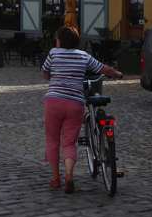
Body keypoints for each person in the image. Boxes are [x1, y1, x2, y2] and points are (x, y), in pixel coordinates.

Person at [41, 25, 122, 193]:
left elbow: (45, 72)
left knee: (53, 140)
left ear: (59, 40)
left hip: (54, 102)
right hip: (75, 103)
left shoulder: (54, 53)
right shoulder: (83, 55)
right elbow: (103, 69)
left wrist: (52, 76)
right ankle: (69, 175)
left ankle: (56, 179)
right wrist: (117, 74)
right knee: (70, 142)